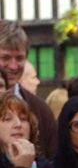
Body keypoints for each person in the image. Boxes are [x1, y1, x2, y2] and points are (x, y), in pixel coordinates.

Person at [0, 21, 57, 157]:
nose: (13, 66)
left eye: (19, 58)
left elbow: (52, 162)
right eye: (5, 57)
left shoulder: (41, 111)